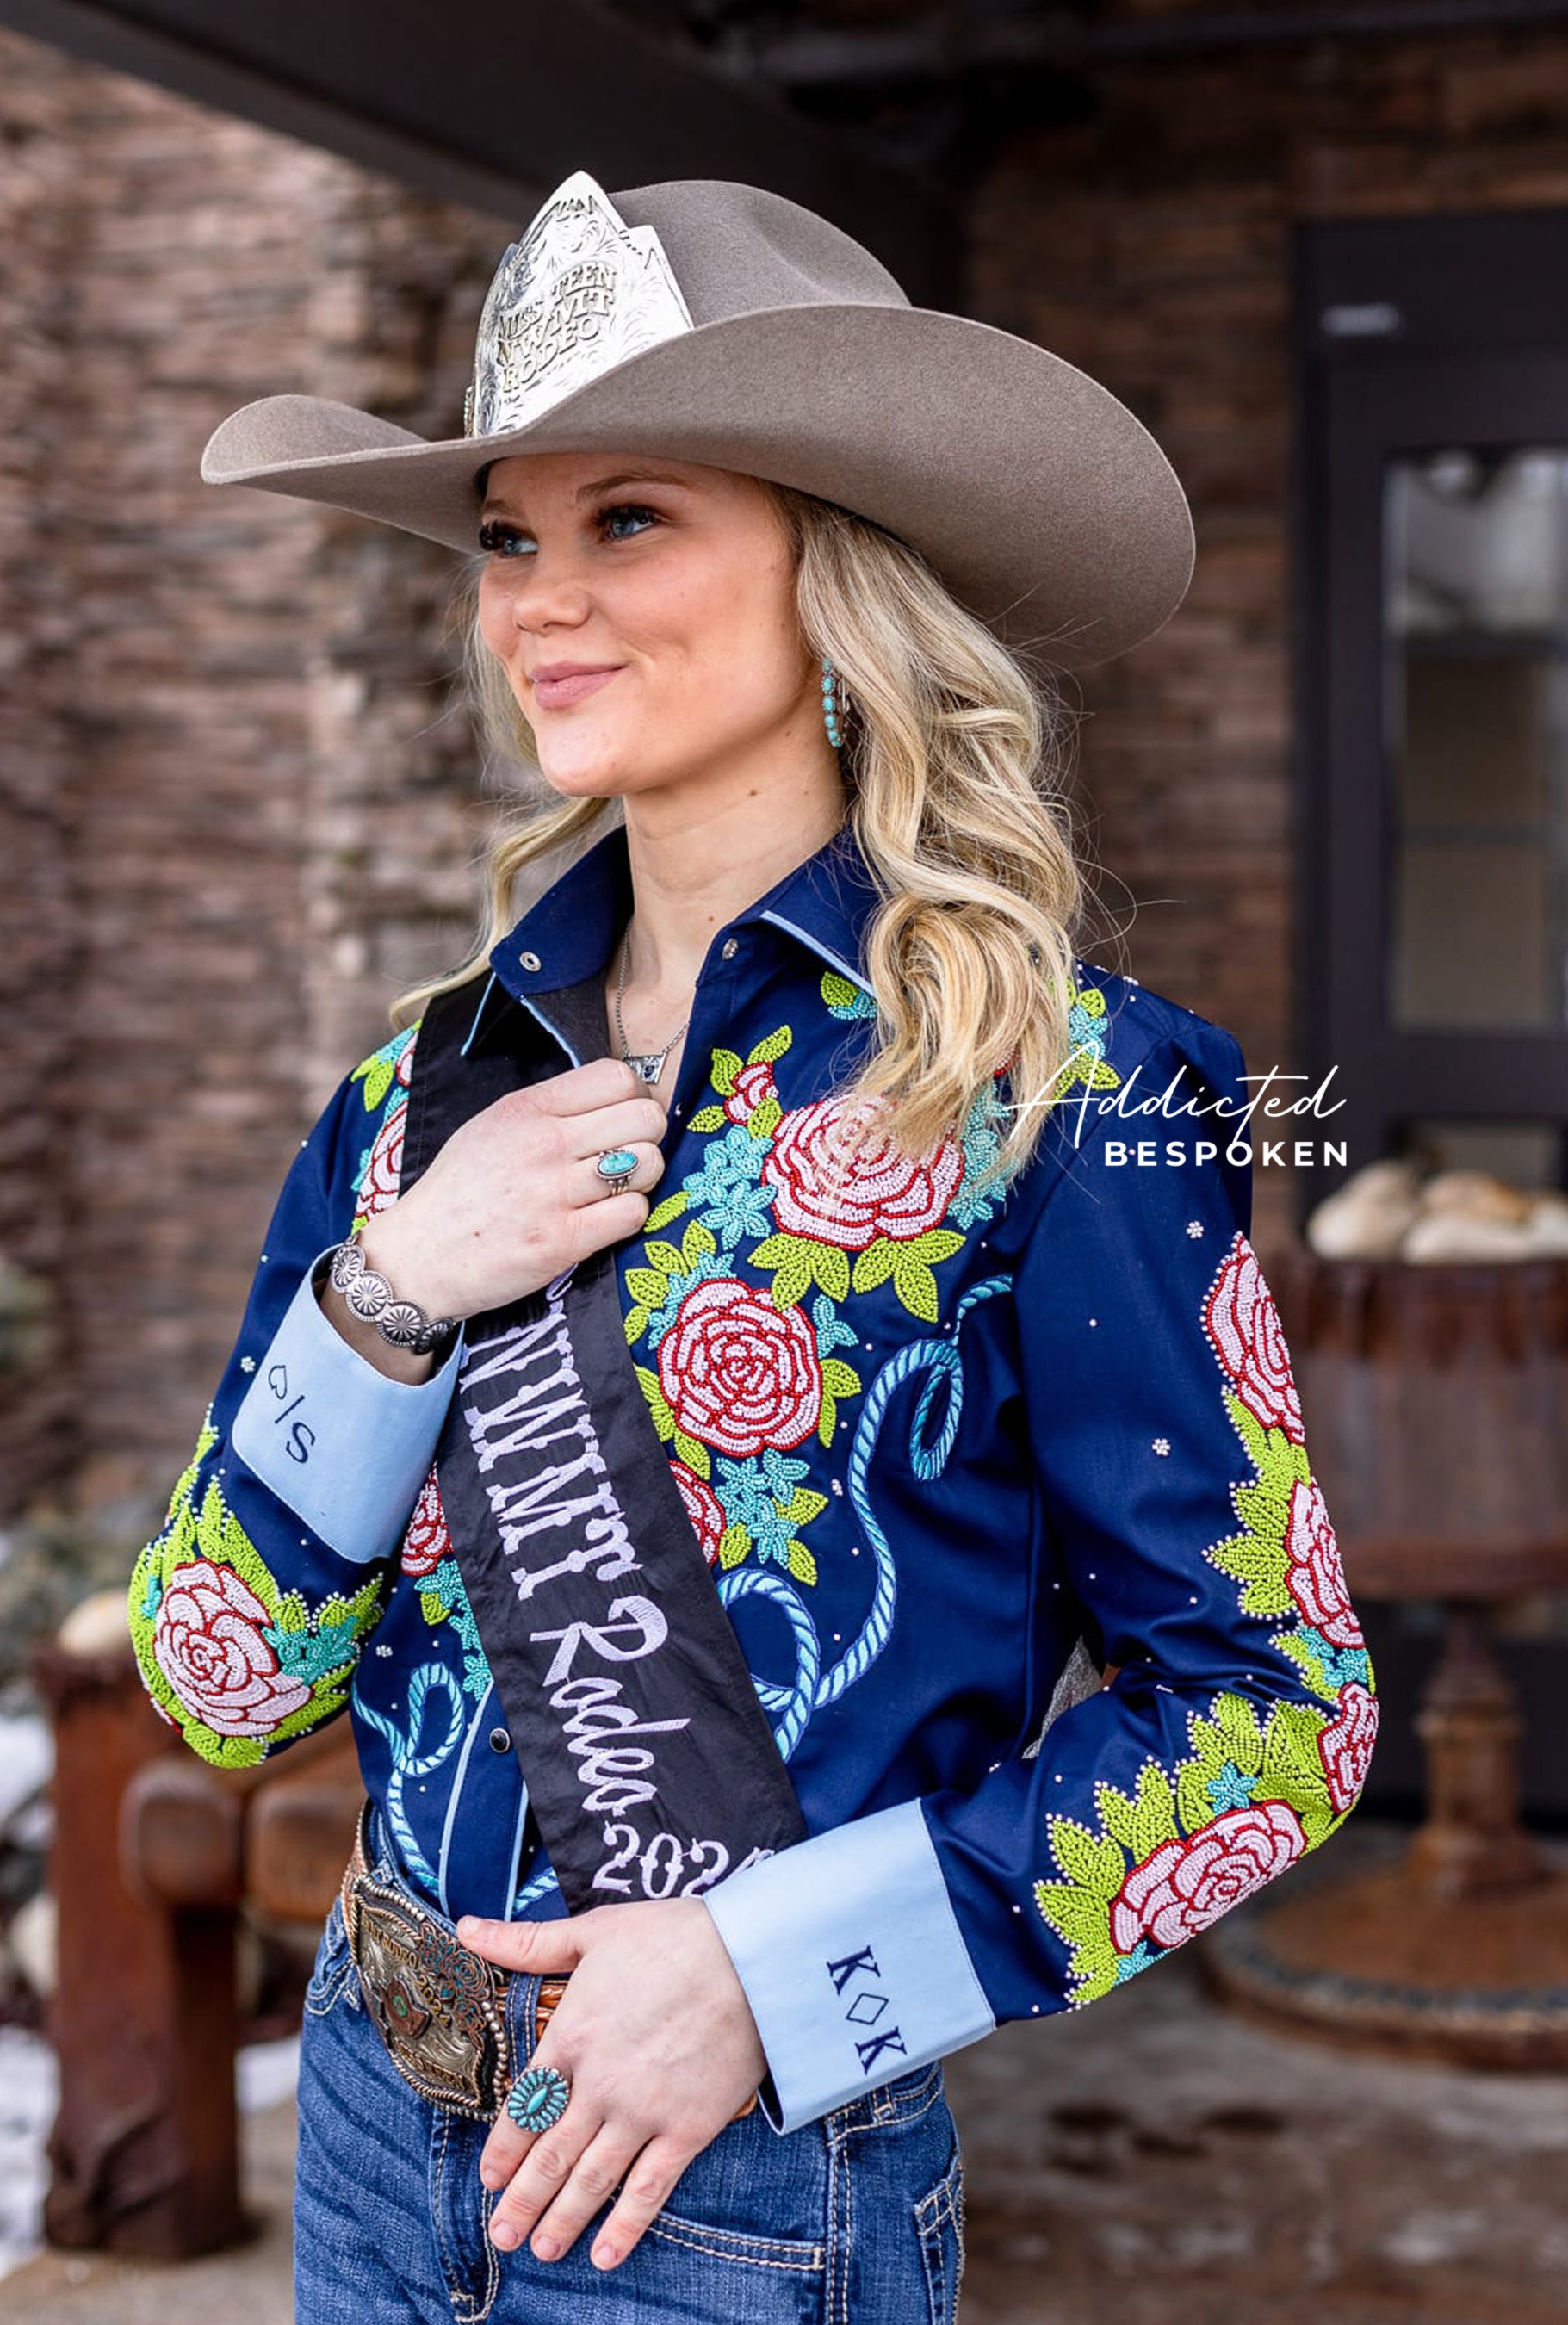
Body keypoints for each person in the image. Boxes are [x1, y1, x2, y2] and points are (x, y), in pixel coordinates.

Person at [128, 170, 1379, 2324]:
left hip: (728, 2187)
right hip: (361, 2120)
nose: (536, 598)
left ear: (839, 571)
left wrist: (773, 1981)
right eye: (509, 537)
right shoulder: (414, 1099)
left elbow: (1275, 1717)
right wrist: (395, 1290)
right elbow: (218, 1686)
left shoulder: (1061, 1082)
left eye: (630, 520)